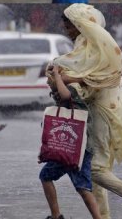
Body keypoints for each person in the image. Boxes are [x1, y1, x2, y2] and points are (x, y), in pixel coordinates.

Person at [55, 4, 122, 219]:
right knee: (99, 170)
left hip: (103, 111)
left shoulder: (90, 46)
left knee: (93, 169)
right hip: (113, 107)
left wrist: (62, 78)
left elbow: (92, 80)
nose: (67, 31)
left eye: (70, 26)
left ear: (79, 24)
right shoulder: (99, 42)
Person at [40, 65, 103, 219]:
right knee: (46, 176)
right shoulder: (59, 91)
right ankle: (56, 215)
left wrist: (56, 75)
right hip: (68, 147)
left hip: (79, 148)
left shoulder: (72, 89)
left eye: (49, 79)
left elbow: (66, 96)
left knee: (83, 187)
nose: (48, 83)